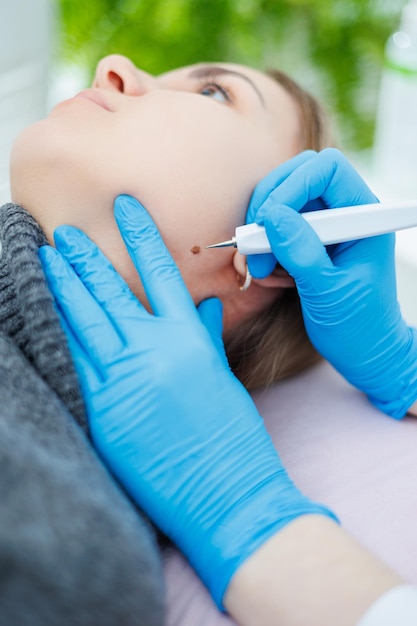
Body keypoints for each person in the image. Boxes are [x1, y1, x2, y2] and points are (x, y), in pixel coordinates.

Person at [4, 52, 417, 624]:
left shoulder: (80, 552)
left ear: (268, 255)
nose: (113, 65)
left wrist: (236, 508)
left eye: (215, 93)